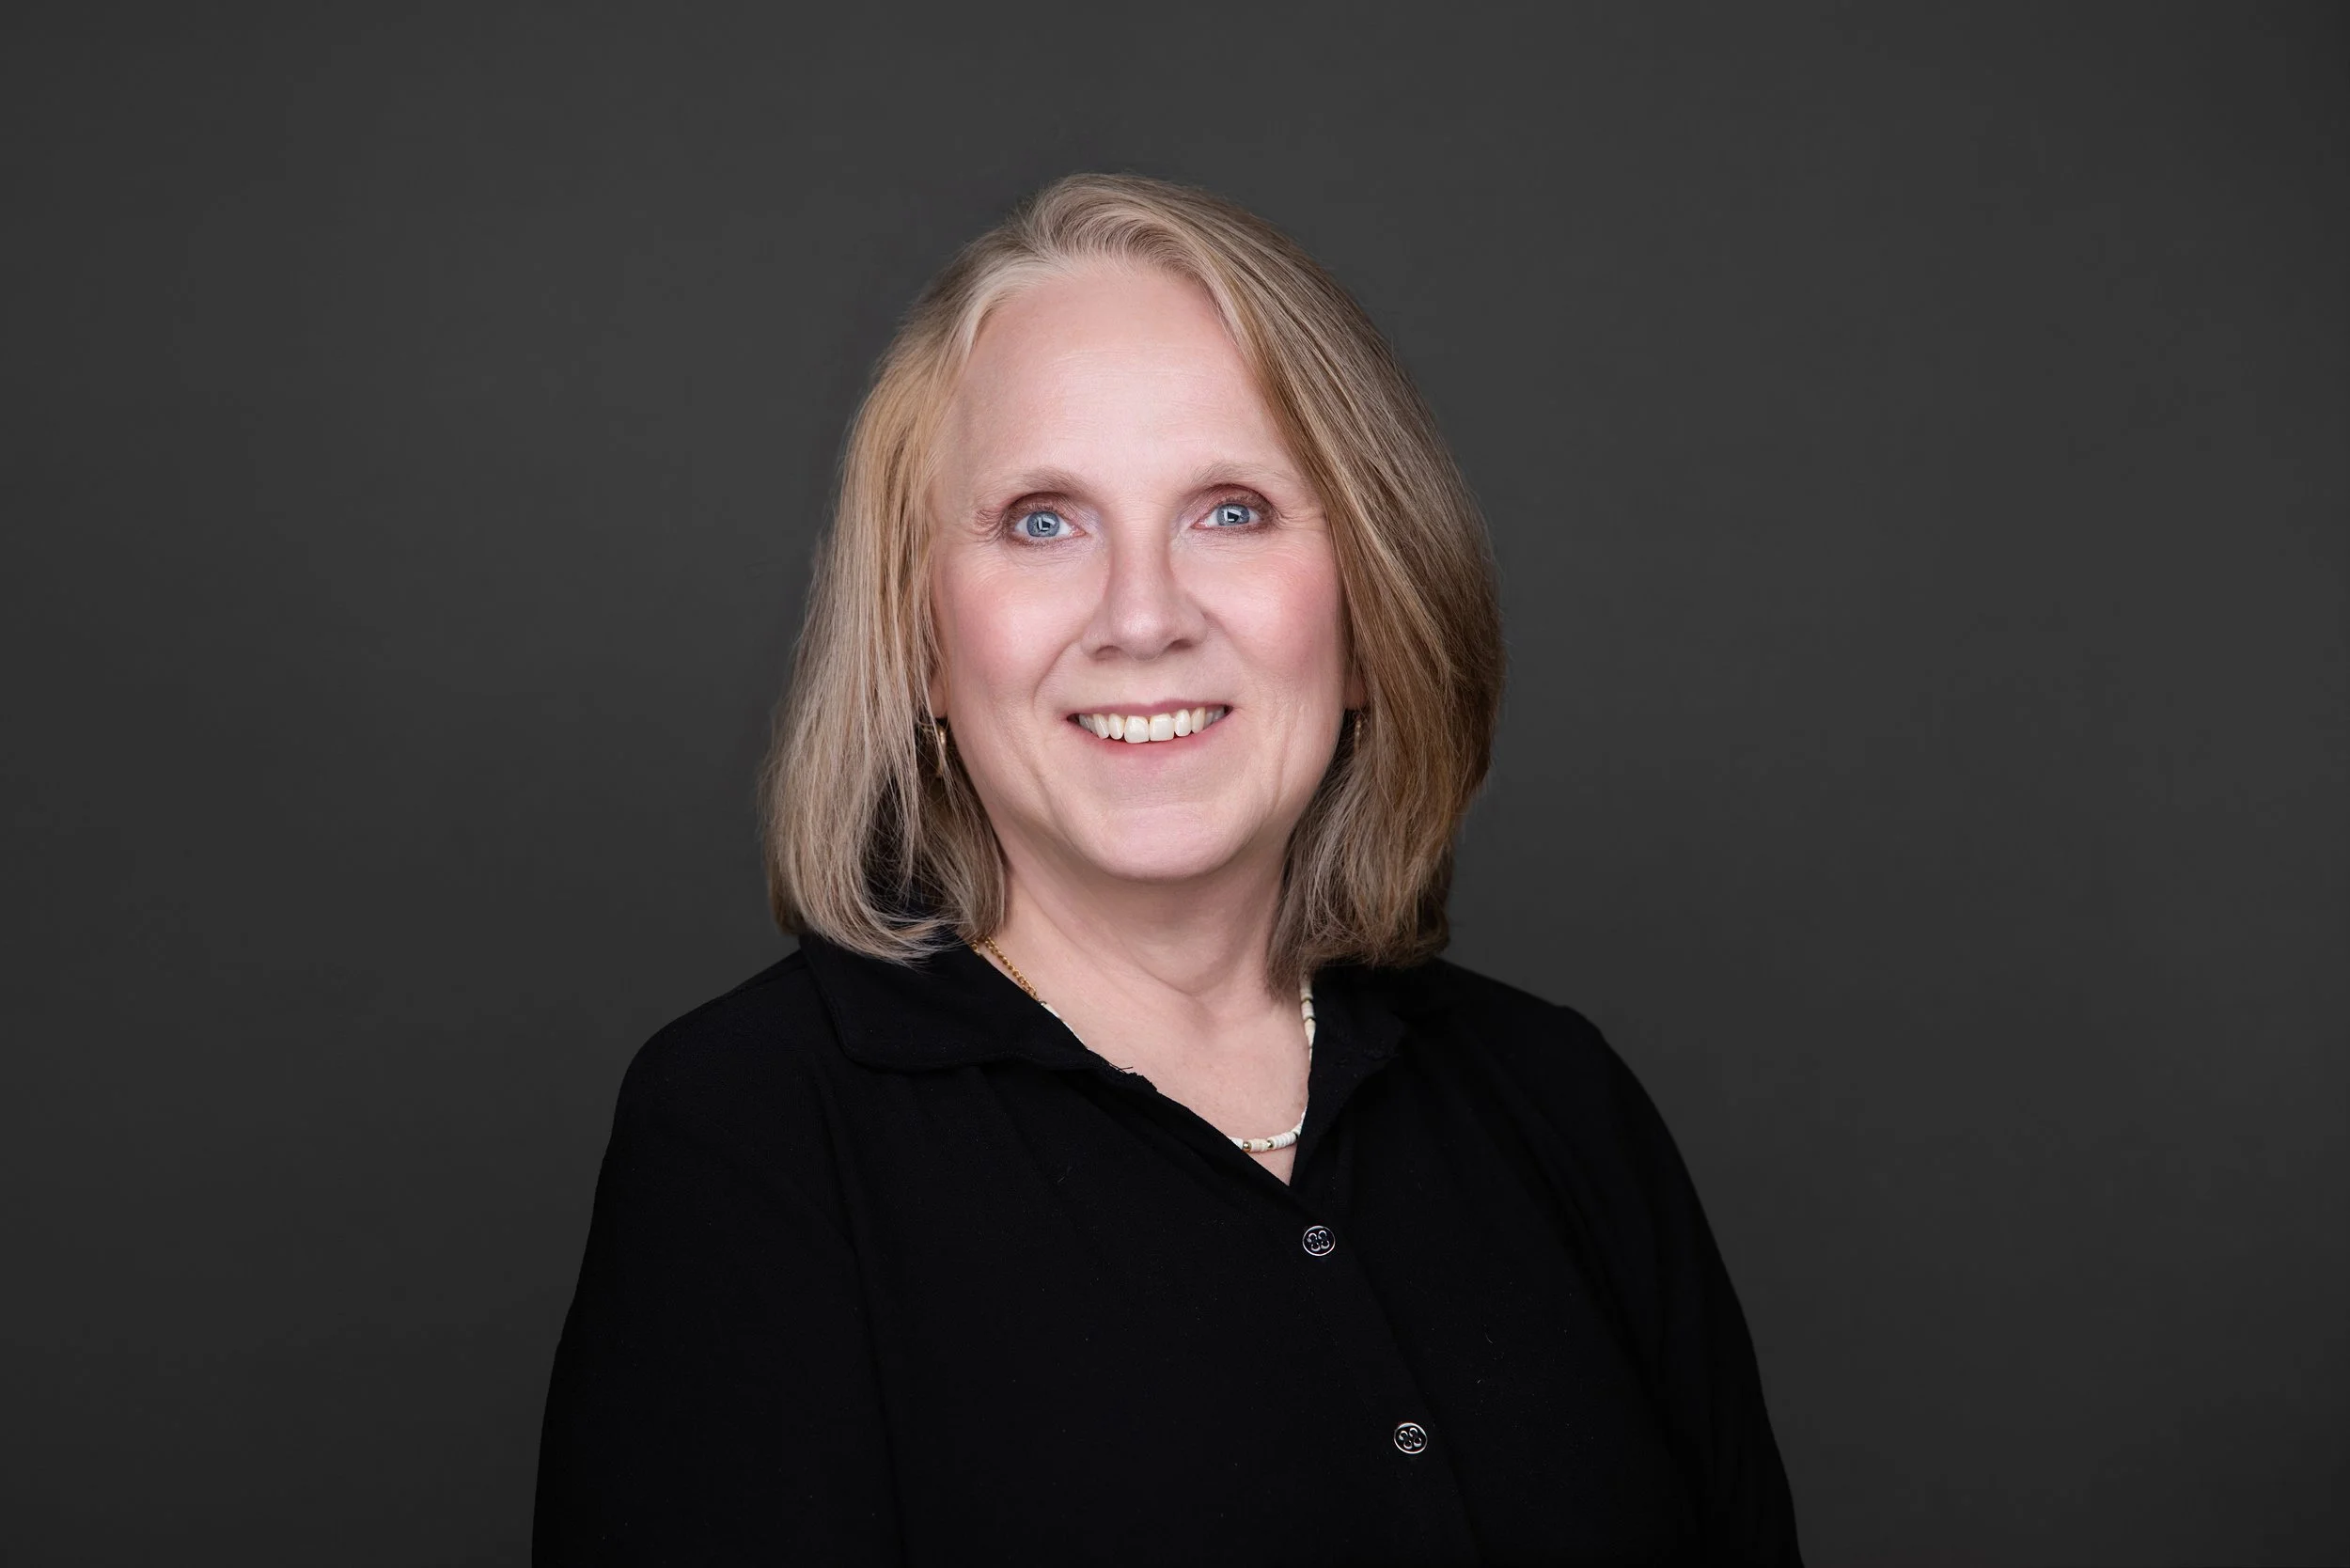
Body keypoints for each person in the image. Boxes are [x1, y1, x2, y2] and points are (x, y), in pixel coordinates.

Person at [532, 173, 1800, 1565]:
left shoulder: (1555, 1101)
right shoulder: (753, 1134)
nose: (1143, 617)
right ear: (924, 643)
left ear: (1373, 609)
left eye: (1235, 510)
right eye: (1042, 521)